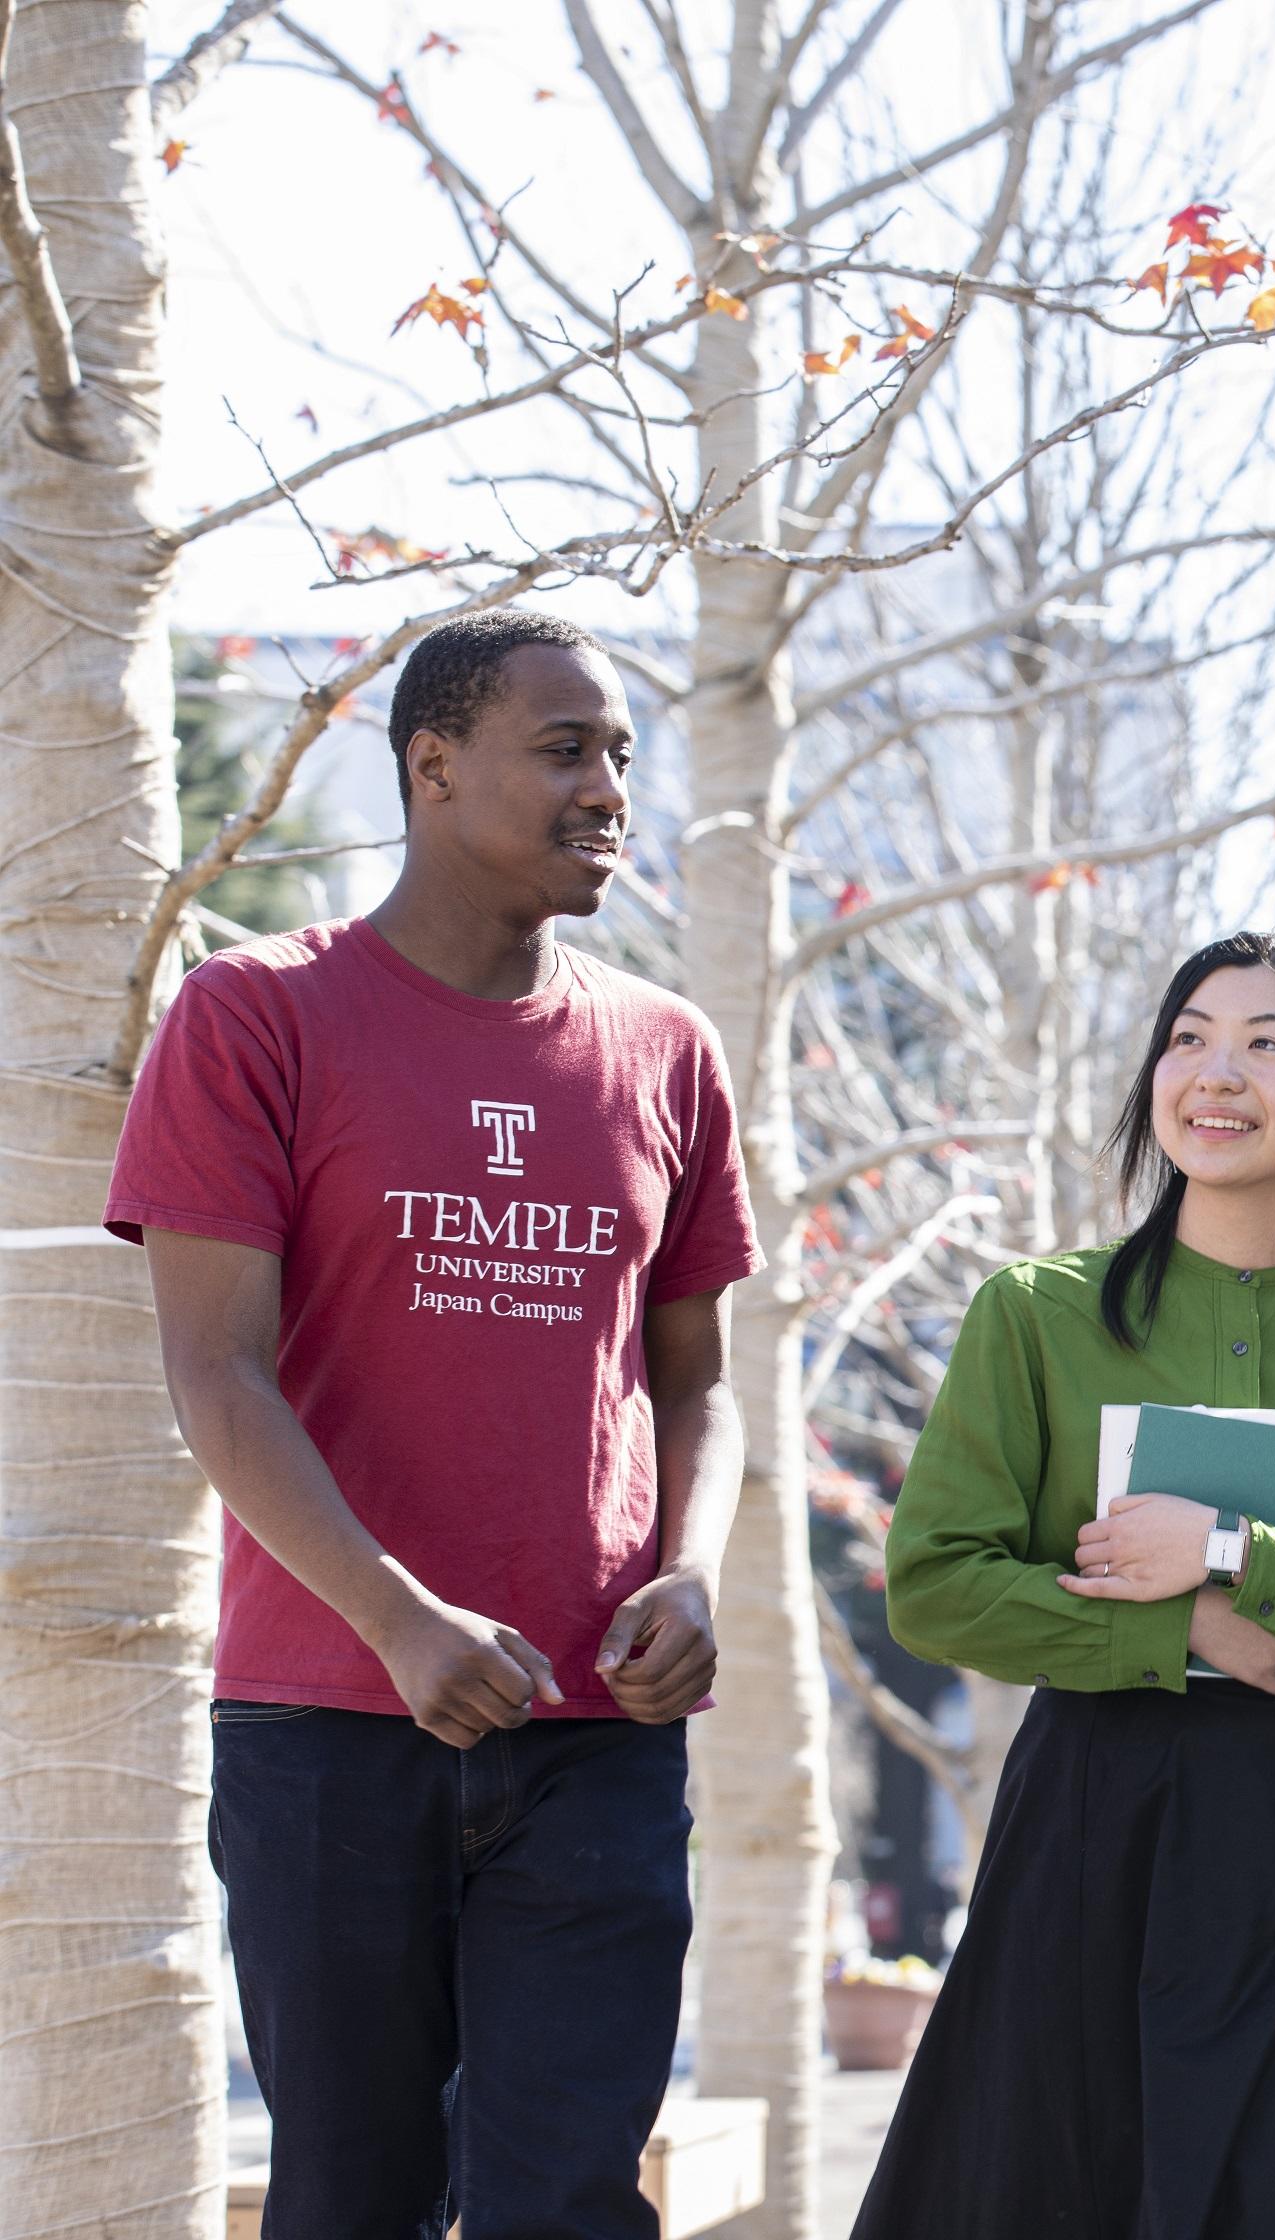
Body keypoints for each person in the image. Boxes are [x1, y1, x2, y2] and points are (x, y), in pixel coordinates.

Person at [108, 610, 756, 2237]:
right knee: (352, 2204)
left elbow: (699, 1383)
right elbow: (216, 1372)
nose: (609, 787)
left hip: (597, 1739)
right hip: (328, 1726)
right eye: (565, 750)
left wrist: (695, 1572)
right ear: (432, 763)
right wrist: (399, 1625)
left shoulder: (666, 1053)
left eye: (620, 753)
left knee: (570, 2206)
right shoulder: (258, 1016)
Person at [853, 931, 1275, 2239]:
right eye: (1188, 1037)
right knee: (1055, 2190)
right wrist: (1178, 1625)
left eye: (1265, 1042)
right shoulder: (1037, 1312)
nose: (1215, 1072)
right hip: (1092, 1822)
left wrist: (1239, 1554)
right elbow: (936, 1588)